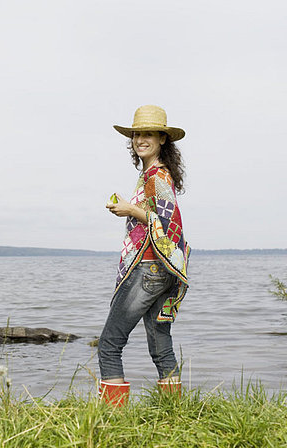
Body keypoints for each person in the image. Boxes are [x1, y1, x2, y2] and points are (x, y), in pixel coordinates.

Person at [98, 105, 191, 406]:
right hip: (164, 272)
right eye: (137, 134)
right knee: (160, 344)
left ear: (163, 139)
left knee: (109, 344)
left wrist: (130, 210)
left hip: (149, 268)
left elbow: (166, 223)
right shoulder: (154, 174)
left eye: (149, 133)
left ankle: (113, 418)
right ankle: (174, 412)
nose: (141, 139)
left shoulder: (157, 176)